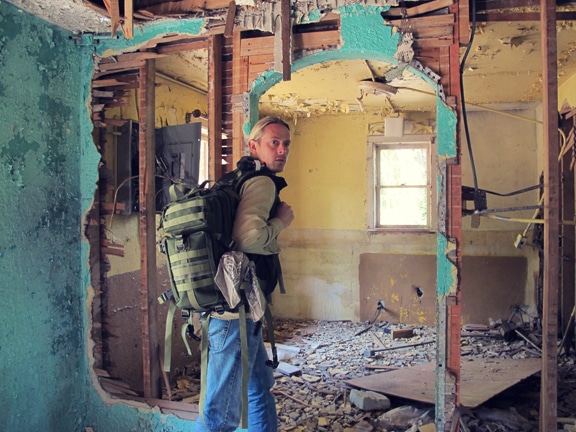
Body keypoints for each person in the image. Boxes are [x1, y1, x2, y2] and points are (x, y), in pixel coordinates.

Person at [194, 116, 294, 432]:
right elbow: (247, 238)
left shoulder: (235, 179)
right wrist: (281, 221)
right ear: (254, 146)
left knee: (258, 389)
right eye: (274, 142)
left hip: (238, 308)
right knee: (220, 412)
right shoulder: (263, 182)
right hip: (232, 314)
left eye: (286, 144)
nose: (282, 150)